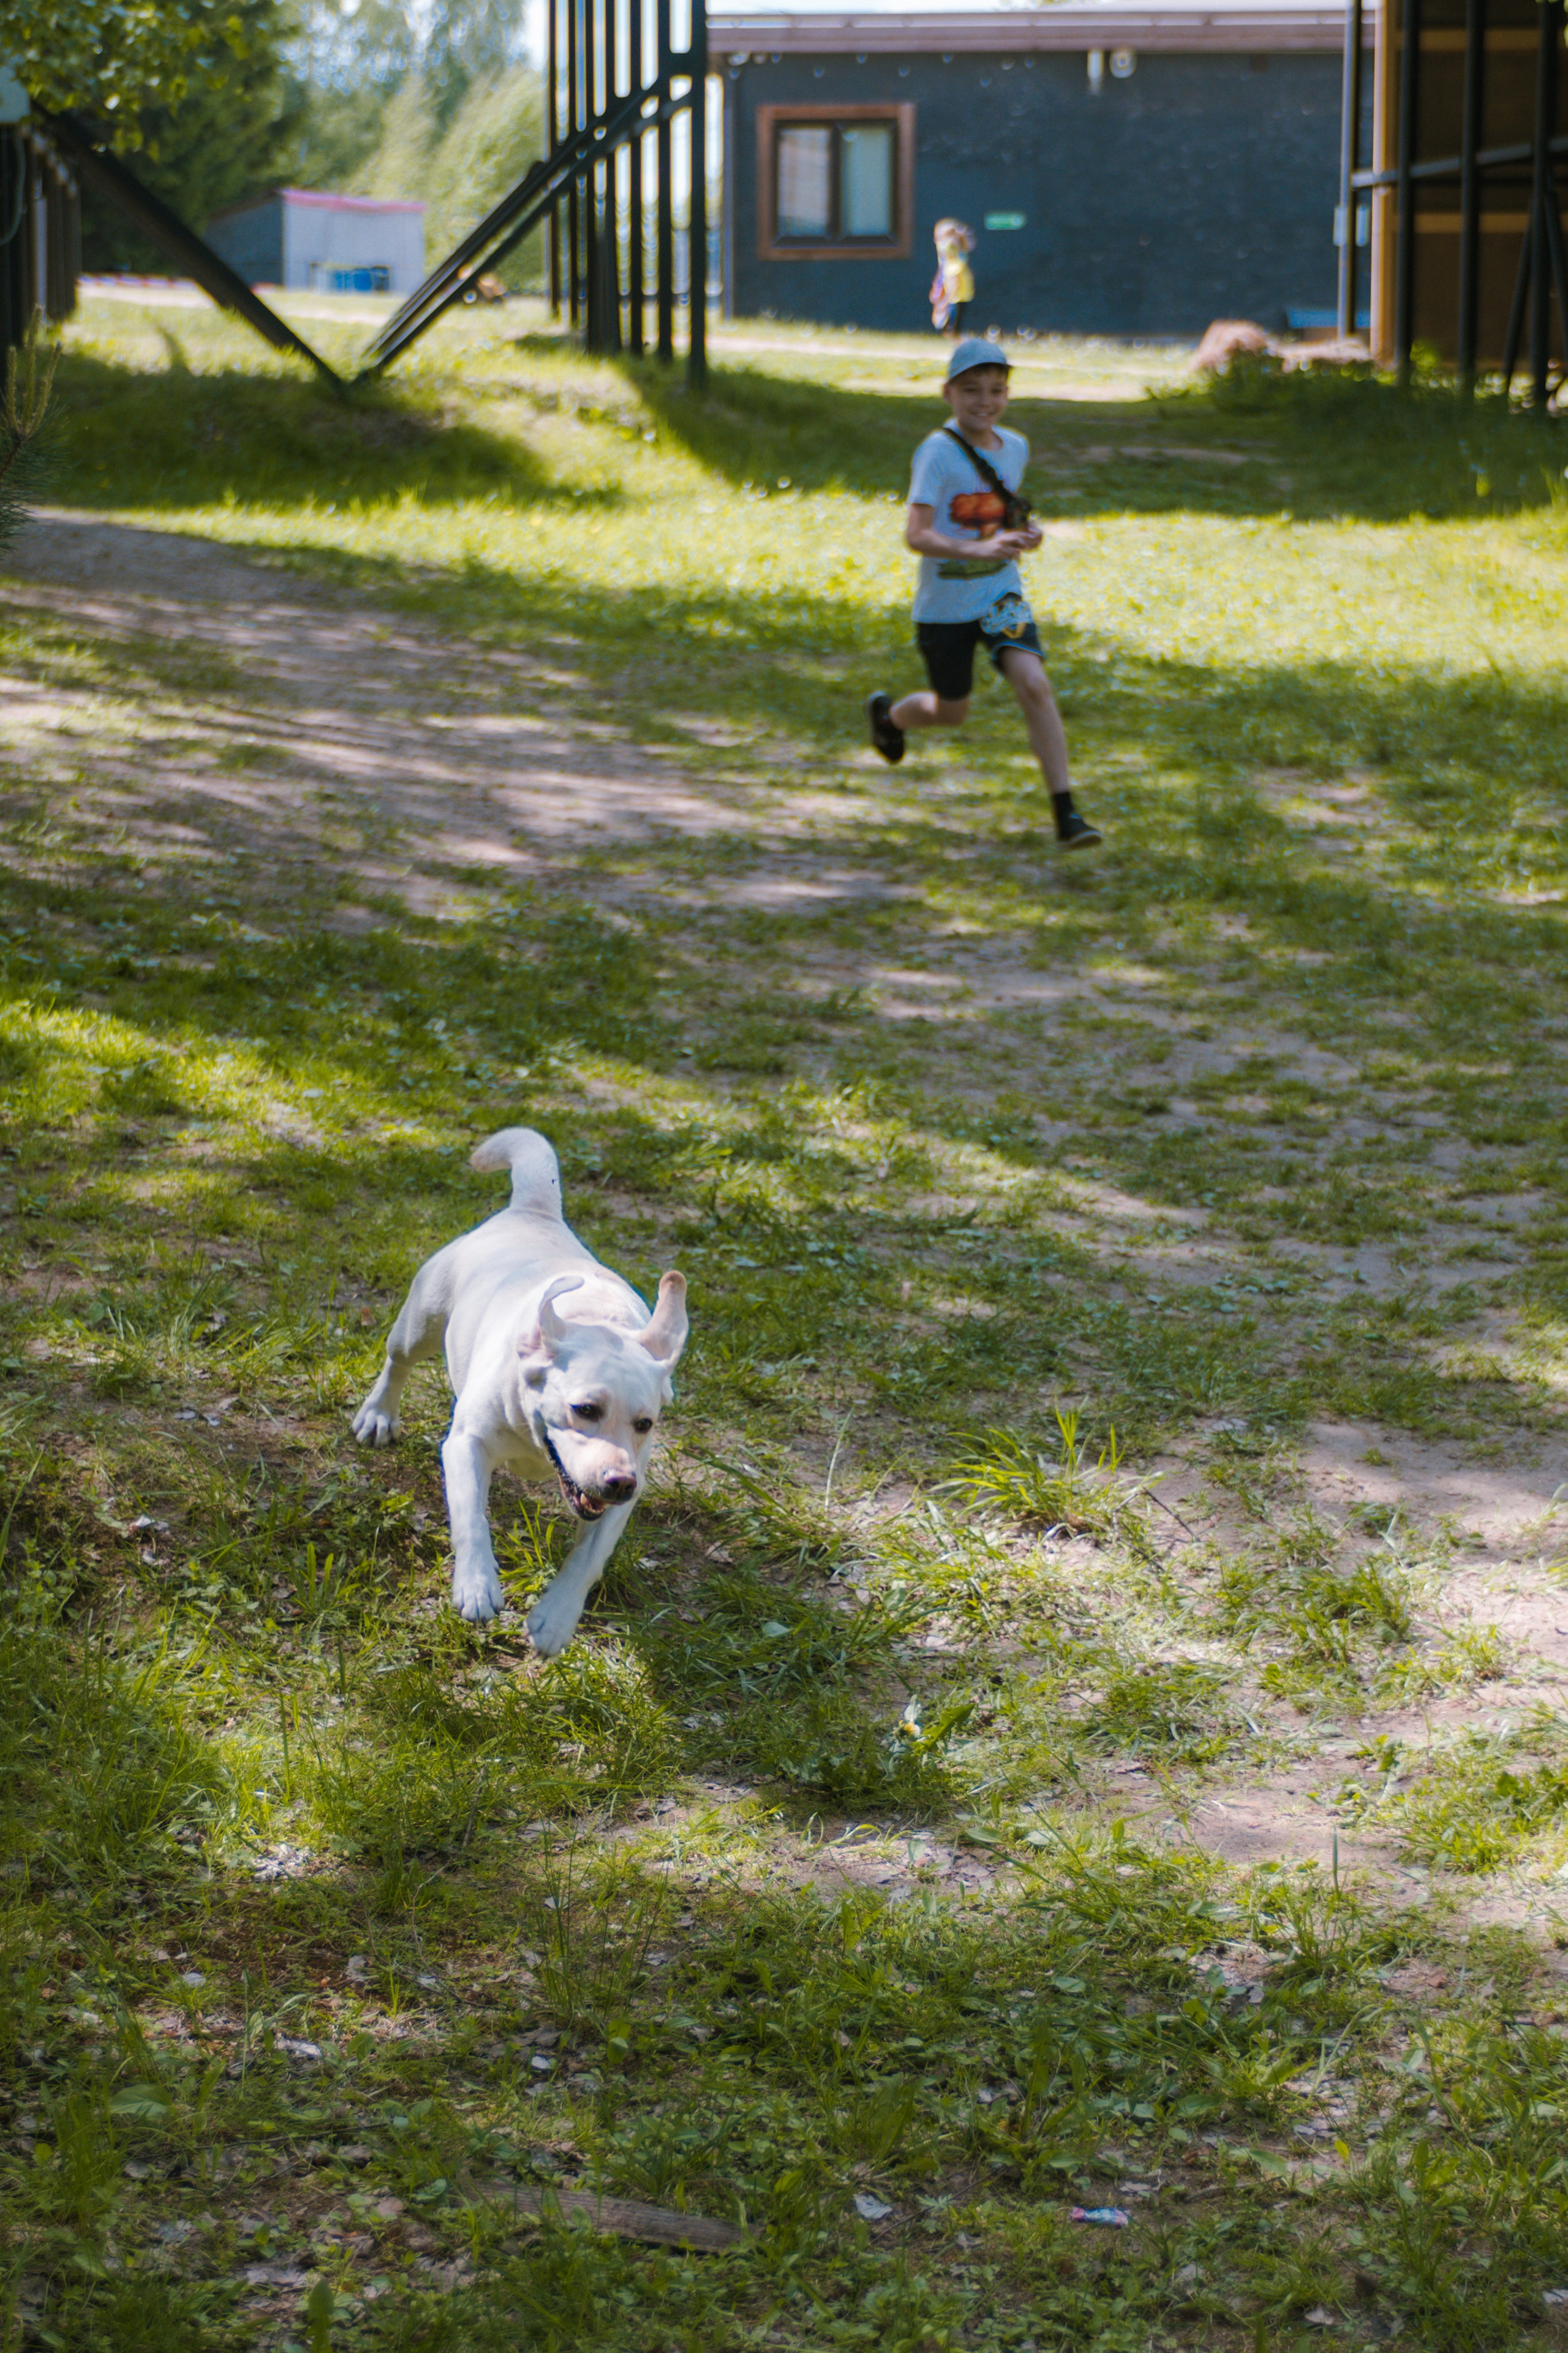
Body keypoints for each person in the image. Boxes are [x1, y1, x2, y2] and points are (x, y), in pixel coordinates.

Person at [864, 338, 1102, 851]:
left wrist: (1025, 533)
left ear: (1008, 395)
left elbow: (1003, 514)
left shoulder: (1015, 447)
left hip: (1000, 596)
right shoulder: (936, 452)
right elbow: (917, 534)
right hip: (945, 607)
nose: (984, 401)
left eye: (996, 390)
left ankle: (1067, 813)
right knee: (952, 712)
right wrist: (978, 550)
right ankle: (890, 716)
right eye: (971, 390)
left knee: (1034, 684)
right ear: (948, 393)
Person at [930, 217, 975, 339]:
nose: (937, 241)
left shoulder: (955, 262)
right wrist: (937, 283)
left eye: (940, 237)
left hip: (957, 293)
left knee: (952, 324)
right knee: (948, 322)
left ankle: (956, 338)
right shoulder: (951, 258)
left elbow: (954, 283)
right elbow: (942, 267)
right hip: (953, 290)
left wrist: (943, 302)